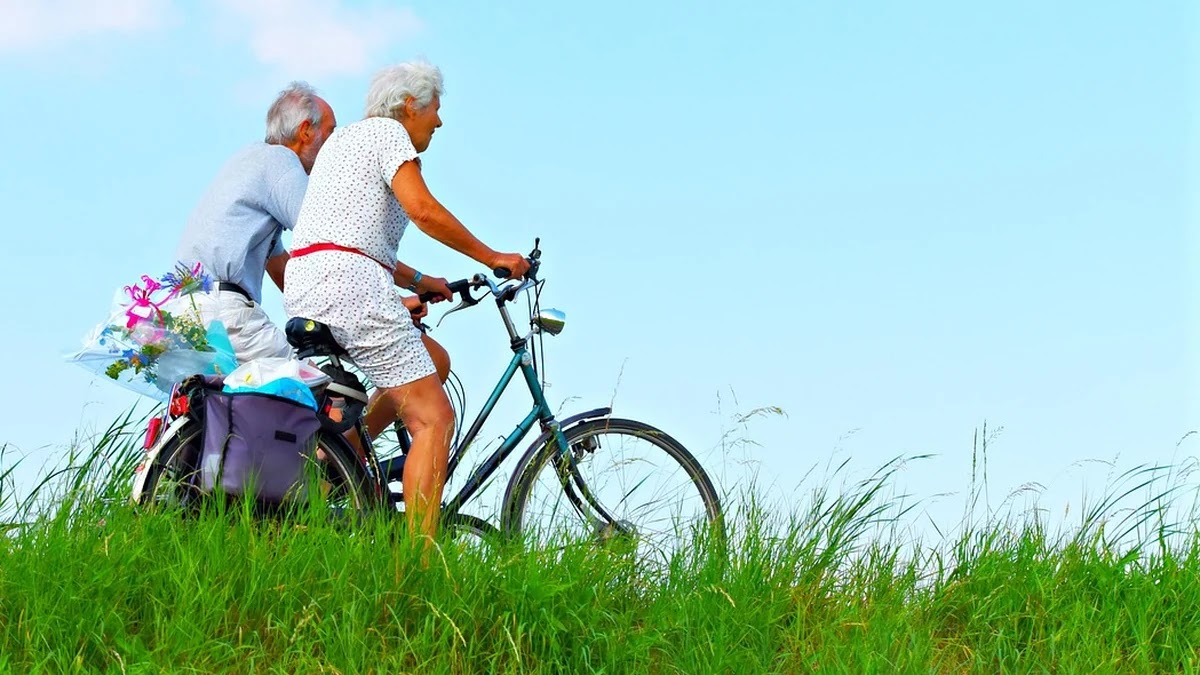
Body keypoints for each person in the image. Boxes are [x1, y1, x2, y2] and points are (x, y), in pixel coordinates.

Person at [283, 61, 531, 540]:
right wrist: (493, 256)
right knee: (434, 418)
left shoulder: (345, 142)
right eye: (435, 110)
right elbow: (422, 209)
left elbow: (347, 233)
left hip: (312, 280)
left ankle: (346, 459)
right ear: (410, 106)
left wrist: (419, 280)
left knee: (433, 360)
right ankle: (417, 566)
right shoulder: (389, 134)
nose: (438, 122)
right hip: (350, 284)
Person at [167, 81, 453, 377]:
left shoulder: (249, 161)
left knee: (247, 409)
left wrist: (371, 302)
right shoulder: (280, 162)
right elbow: (334, 245)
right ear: (305, 131)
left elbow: (283, 270)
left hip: (186, 311)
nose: (335, 143)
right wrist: (414, 284)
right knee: (323, 395)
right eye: (330, 132)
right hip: (224, 312)